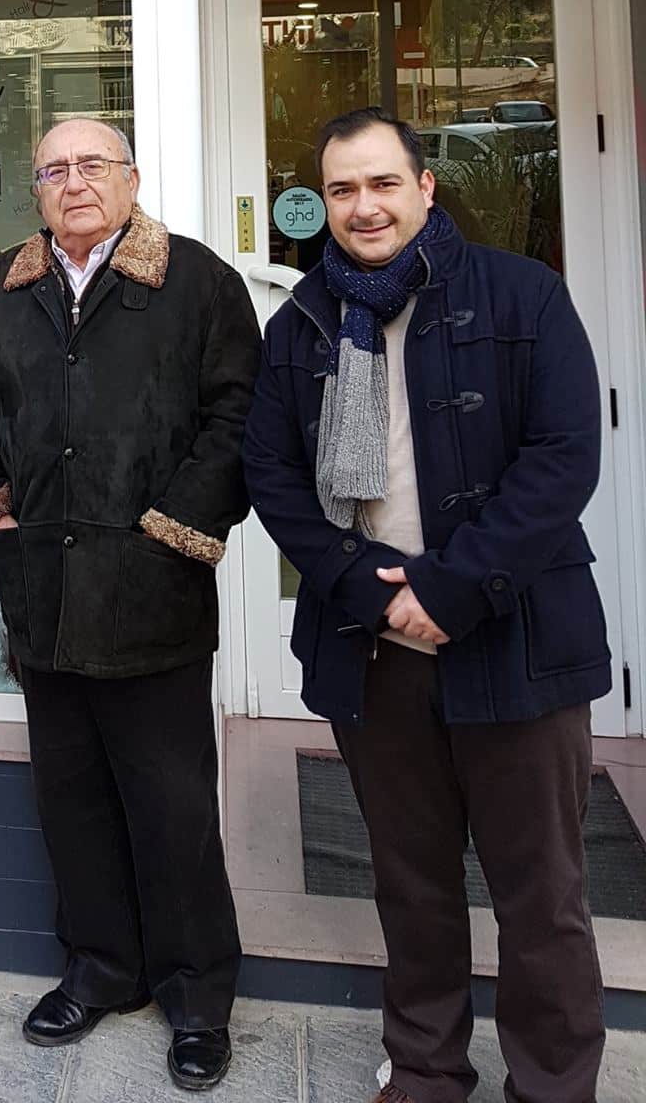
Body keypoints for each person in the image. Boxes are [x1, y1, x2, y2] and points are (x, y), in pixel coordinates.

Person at [244, 107, 610, 1103]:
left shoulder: (521, 293)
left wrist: (451, 587)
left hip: (514, 633)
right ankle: (426, 1067)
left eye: (382, 183)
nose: (363, 206)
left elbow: (563, 454)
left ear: (425, 187)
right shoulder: (305, 319)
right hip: (373, 643)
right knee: (411, 881)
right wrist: (363, 583)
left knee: (543, 892)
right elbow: (273, 472)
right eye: (342, 189)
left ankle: (552, 1081)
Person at [0, 119, 260, 1094]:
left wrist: (175, 526)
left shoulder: (198, 282)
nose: (75, 182)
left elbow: (240, 413)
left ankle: (197, 992)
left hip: (150, 590)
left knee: (171, 806)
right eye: (56, 169)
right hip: (42, 590)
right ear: (37, 189)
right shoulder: (3, 289)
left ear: (131, 178)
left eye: (94, 165)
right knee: (71, 797)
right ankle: (101, 966)